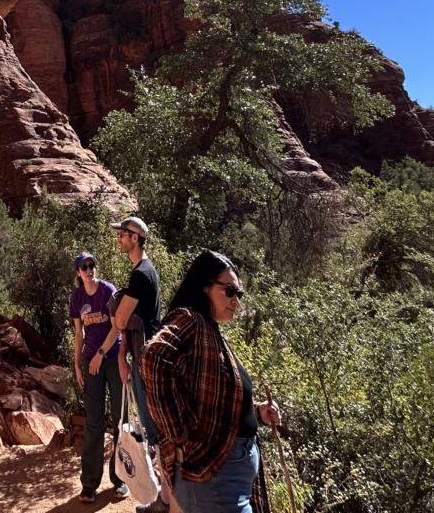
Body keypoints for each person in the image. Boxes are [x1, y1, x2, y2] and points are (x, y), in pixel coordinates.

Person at [141, 251, 281, 513]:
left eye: (238, 294)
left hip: (229, 473)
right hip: (214, 476)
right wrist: (179, 435)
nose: (235, 301)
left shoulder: (209, 330)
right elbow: (154, 359)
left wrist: (257, 412)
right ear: (205, 287)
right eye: (229, 291)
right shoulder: (191, 320)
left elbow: (215, 401)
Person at [99, 215, 168, 513]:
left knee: (156, 431)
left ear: (135, 238)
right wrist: (119, 353)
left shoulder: (142, 274)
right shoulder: (142, 271)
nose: (119, 239)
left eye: (123, 235)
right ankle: (164, 499)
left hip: (147, 361)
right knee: (154, 431)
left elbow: (122, 320)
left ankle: (167, 501)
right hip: (141, 357)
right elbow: (127, 323)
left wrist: (117, 309)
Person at [70, 250, 128, 503]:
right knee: (93, 421)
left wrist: (101, 353)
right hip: (90, 363)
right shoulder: (77, 297)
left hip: (112, 359)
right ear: (78, 273)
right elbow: (78, 333)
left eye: (92, 265)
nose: (89, 270)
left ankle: (121, 479)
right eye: (84, 267)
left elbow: (117, 325)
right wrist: (77, 364)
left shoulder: (107, 290)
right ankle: (90, 484)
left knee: (119, 419)